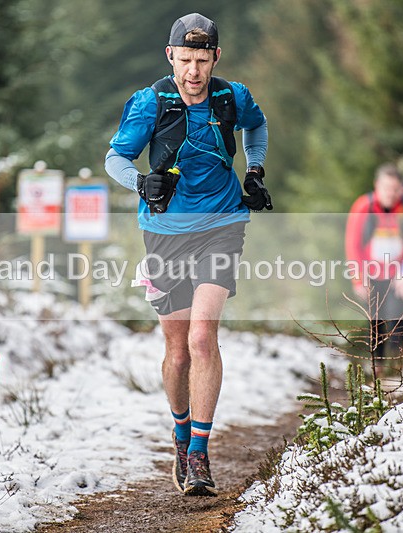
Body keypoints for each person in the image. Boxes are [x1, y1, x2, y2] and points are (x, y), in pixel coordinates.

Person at [104, 12, 270, 496]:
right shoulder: (150, 103)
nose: (193, 72)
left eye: (202, 60)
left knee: (201, 338)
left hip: (222, 224)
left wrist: (254, 171)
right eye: (184, 61)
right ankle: (180, 436)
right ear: (170, 56)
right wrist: (140, 182)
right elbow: (115, 158)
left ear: (215, 57)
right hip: (164, 232)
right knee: (177, 352)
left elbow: (256, 127)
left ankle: (199, 452)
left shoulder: (232, 97)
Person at [344, 164, 403, 365]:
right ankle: (378, 367)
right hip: (371, 274)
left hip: (398, 274)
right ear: (377, 186)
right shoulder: (363, 206)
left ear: (401, 188)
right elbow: (353, 245)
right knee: (375, 323)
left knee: (401, 320)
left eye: (395, 189)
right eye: (386, 188)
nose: (391, 193)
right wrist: (358, 279)